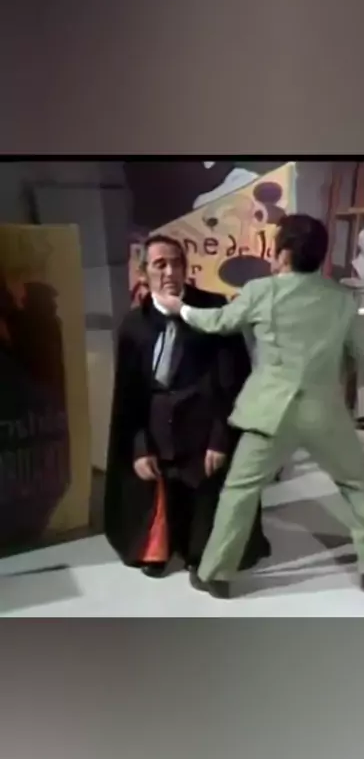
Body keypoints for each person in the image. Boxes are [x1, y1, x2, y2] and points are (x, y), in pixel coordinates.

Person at [157, 214, 364, 599]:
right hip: (325, 411)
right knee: (357, 485)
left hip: (270, 414)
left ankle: (215, 573)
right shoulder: (342, 299)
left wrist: (181, 309)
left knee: (240, 490)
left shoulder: (261, 291)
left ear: (284, 254)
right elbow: (362, 349)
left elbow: (219, 321)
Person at [104, 233, 270, 577]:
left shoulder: (214, 310)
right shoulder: (133, 325)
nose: (170, 272)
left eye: (176, 263)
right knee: (156, 512)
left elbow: (233, 383)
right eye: (160, 265)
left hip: (203, 435)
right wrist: (139, 448)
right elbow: (129, 396)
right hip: (159, 434)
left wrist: (220, 439)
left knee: (204, 543)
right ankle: (159, 545)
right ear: (143, 273)